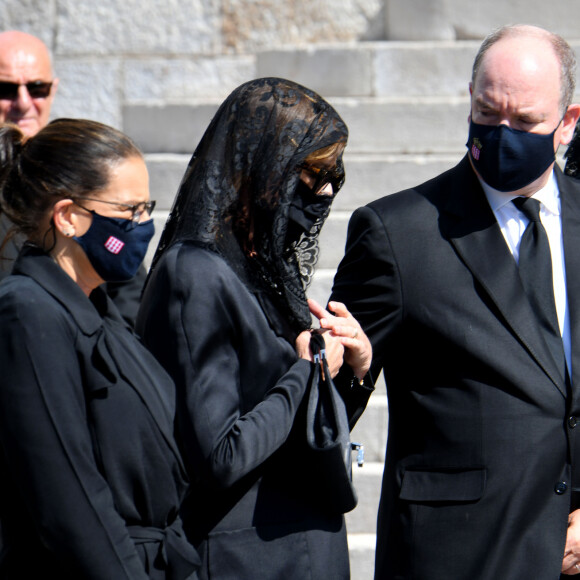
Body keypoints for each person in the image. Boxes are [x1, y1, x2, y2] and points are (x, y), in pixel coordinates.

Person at [330, 24, 580, 579]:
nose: (504, 134)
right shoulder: (397, 232)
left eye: (526, 122)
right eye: (489, 115)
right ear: (470, 101)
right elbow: (330, 398)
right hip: (459, 554)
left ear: (567, 123)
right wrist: (353, 369)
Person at [136, 77, 373, 579]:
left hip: (301, 548)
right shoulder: (194, 274)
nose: (328, 188)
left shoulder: (262, 266)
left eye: (334, 172)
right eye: (313, 171)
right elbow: (220, 455)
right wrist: (309, 371)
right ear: (266, 164)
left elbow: (304, 430)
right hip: (246, 558)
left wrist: (353, 368)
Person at [0, 118, 200, 579]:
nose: (143, 226)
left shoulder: (100, 308)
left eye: (147, 208)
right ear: (68, 216)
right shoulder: (28, 314)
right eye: (129, 211)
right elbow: (69, 500)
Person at [0, 30, 145, 325]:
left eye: (37, 87)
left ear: (53, 89)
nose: (24, 102)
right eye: (6, 89)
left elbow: (129, 287)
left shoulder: (85, 172)